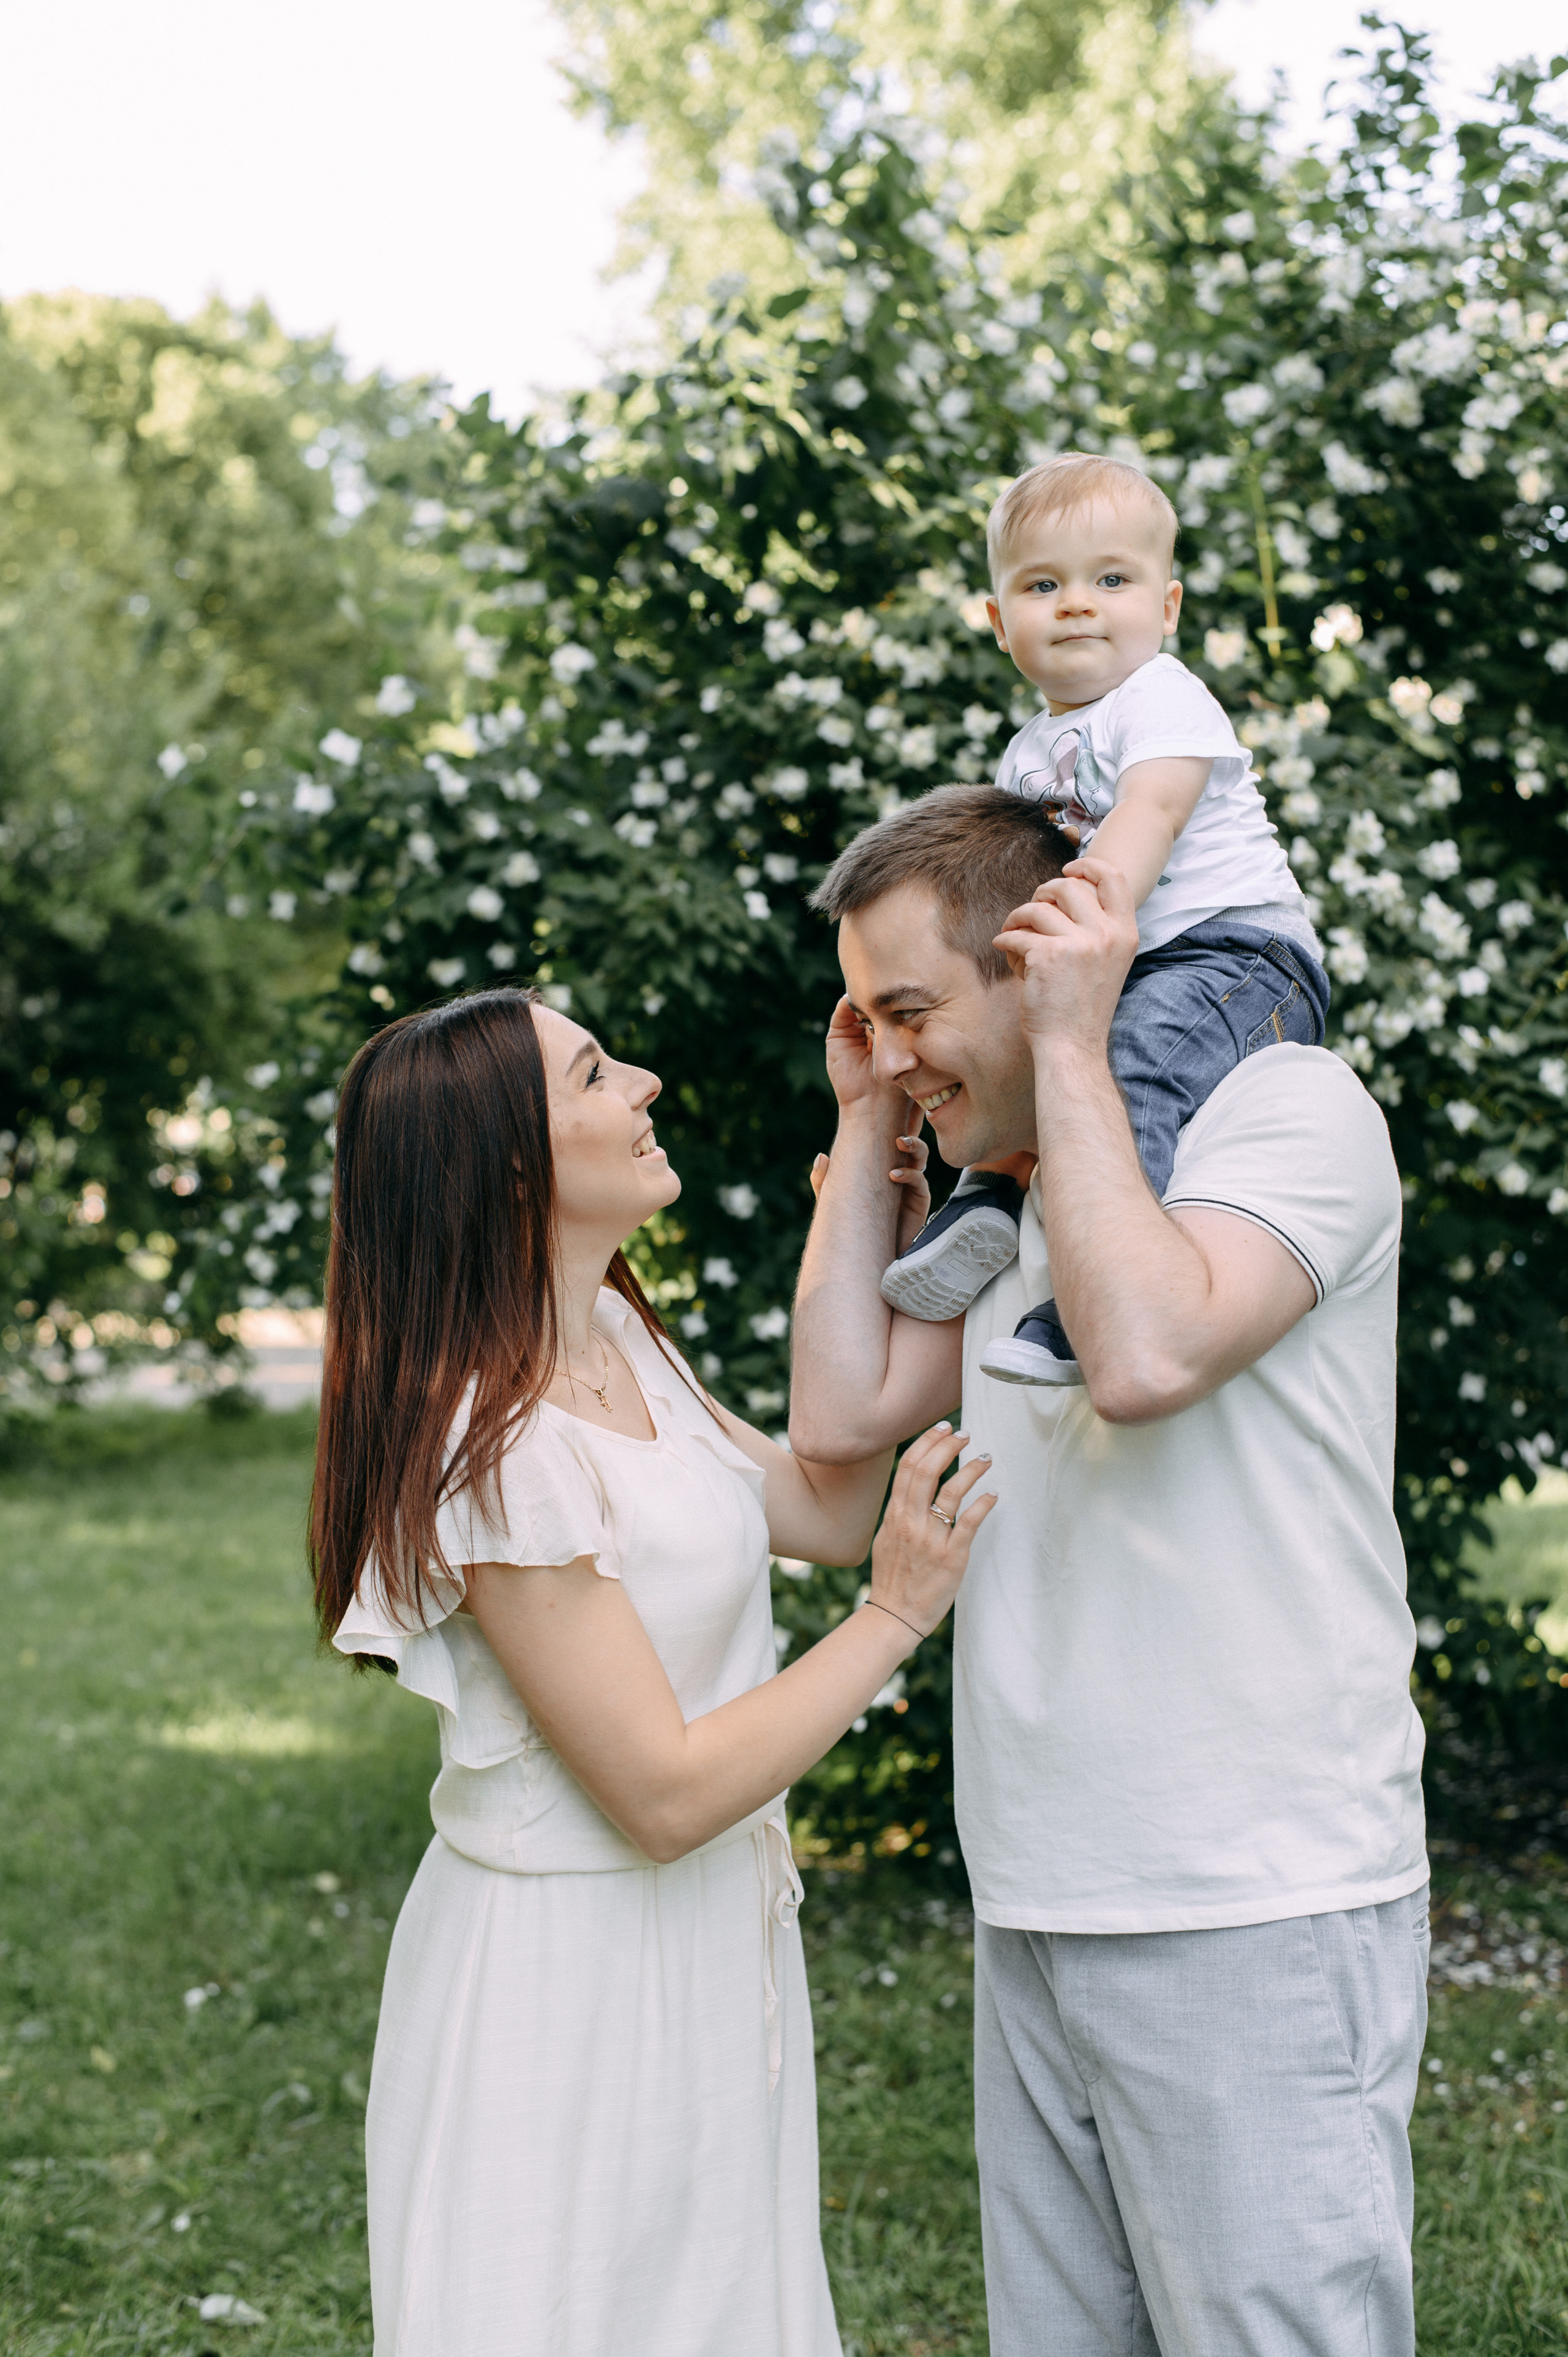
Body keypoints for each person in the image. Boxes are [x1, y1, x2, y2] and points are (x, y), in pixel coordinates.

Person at [791, 785, 1429, 2357]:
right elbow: (839, 1412)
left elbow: (1140, 1357)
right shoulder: (1016, 1189)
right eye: (867, 1021)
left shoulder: (1284, 1108)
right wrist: (870, 1122)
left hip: (1250, 1889)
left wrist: (1075, 1049)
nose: (893, 1049)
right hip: (1039, 1883)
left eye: (911, 1012)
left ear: (1041, 961)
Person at [308, 986, 993, 2357]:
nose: (645, 1083)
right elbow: (662, 1795)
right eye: (593, 1074)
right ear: (511, 1165)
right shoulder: (493, 1451)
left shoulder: (618, 1342)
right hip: (567, 1985)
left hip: (710, 1938)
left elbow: (820, 1502)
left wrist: (867, 1136)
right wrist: (894, 1616)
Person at [878, 452, 1330, 1387]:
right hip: (1123, 956)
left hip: (1235, 955)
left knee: (1136, 1065)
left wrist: (1084, 918)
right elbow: (1008, 882)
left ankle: (1093, 1298)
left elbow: (1151, 813)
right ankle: (989, 1194)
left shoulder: (1161, 695)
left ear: (1166, 608)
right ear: (1000, 622)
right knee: (1017, 1043)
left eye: (1112, 580)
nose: (1078, 604)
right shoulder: (1023, 754)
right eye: (1044, 586)